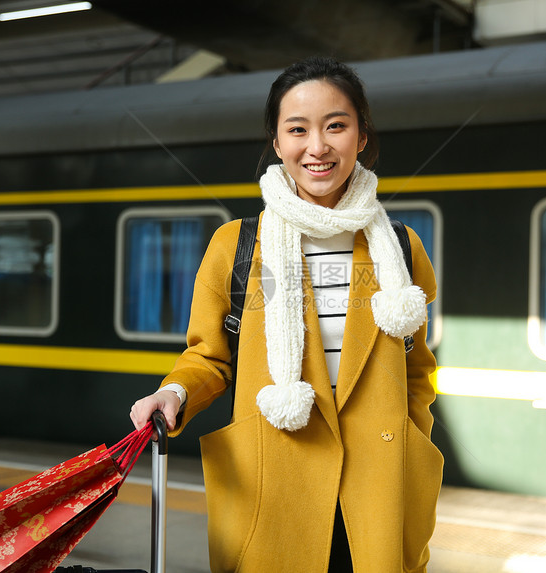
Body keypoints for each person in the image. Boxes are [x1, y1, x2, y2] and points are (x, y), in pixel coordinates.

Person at [130, 56, 443, 573]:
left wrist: (414, 440)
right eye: (297, 129)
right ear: (277, 144)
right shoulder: (236, 247)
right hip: (276, 481)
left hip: (381, 486)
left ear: (361, 136)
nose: (317, 147)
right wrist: (175, 391)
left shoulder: (401, 250)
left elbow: (416, 367)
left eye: (336, 126)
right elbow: (209, 357)